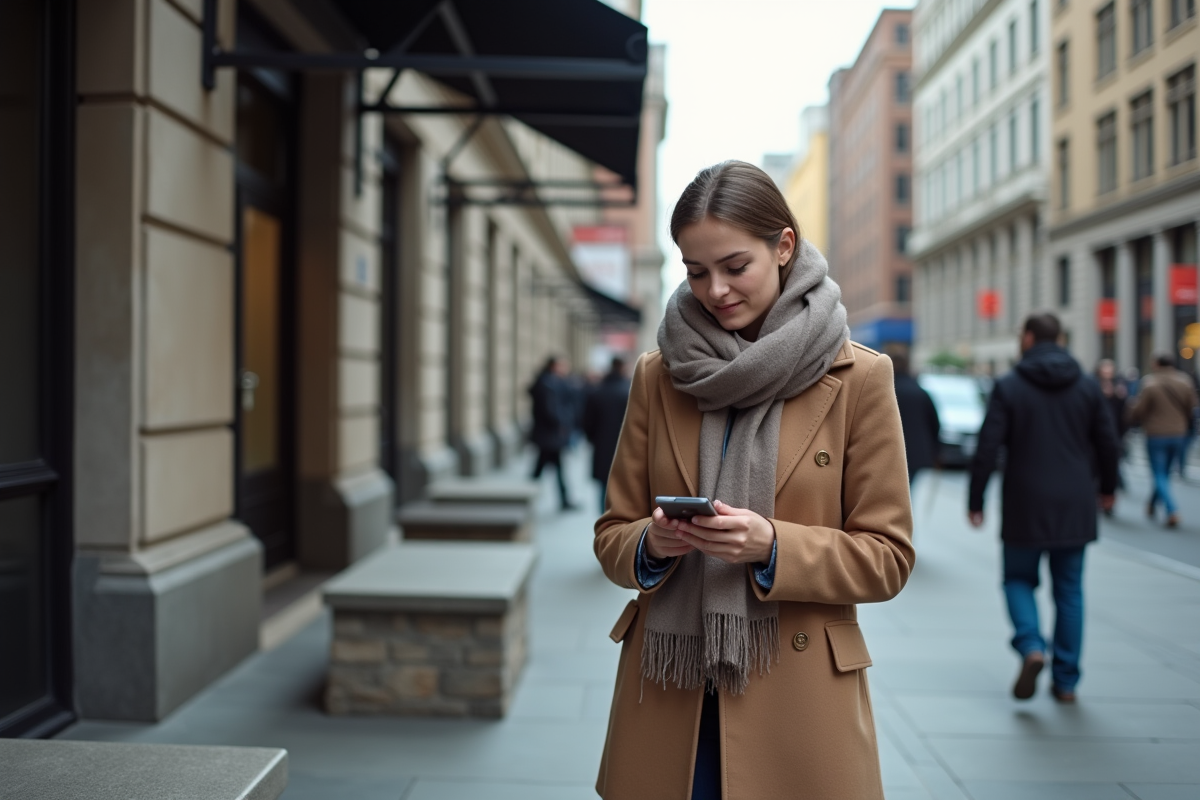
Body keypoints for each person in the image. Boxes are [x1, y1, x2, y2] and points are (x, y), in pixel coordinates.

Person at [593, 161, 914, 800]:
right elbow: (611, 534)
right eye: (695, 271)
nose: (715, 290)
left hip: (800, 704)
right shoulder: (659, 376)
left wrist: (772, 546)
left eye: (734, 266)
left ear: (783, 246)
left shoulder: (859, 378)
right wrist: (652, 545)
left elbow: (888, 558)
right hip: (671, 696)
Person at [969, 313, 1119, 704]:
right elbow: (1107, 442)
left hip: (1025, 500)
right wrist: (1108, 489)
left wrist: (976, 500)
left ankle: (1032, 645)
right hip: (1075, 501)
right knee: (1069, 590)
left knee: (1018, 579)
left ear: (1030, 338)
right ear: (1061, 339)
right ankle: (1066, 681)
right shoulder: (1087, 386)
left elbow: (988, 446)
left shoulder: (1010, 385)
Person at [1128, 353, 1198, 527]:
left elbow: (1139, 410)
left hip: (1156, 433)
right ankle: (1152, 504)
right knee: (1164, 473)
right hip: (1178, 432)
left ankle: (1171, 509)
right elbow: (1192, 406)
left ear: (1157, 364)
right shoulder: (1184, 381)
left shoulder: (1150, 383)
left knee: (1159, 473)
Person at [582, 357, 632, 513]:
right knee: (625, 485)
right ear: (623, 368)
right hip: (626, 446)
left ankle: (602, 517)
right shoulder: (629, 392)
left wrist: (593, 439)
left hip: (602, 444)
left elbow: (587, 422)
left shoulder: (598, 392)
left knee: (604, 485)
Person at [529, 356, 578, 511]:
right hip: (549, 435)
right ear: (553, 366)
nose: (565, 369)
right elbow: (550, 410)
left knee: (547, 468)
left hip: (550, 435)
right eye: (562, 365)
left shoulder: (552, 382)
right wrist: (561, 423)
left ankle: (532, 497)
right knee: (546, 468)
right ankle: (530, 497)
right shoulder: (547, 384)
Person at [891, 350, 940, 485]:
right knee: (907, 487)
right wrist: (936, 451)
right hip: (916, 451)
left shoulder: (886, 390)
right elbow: (934, 423)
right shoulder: (919, 391)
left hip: (889, 451)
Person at [1095, 359, 1130, 495]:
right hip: (1100, 427)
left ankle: (1114, 482)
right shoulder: (1093, 385)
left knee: (1114, 455)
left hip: (1116, 427)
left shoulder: (1119, 386)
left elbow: (1124, 410)